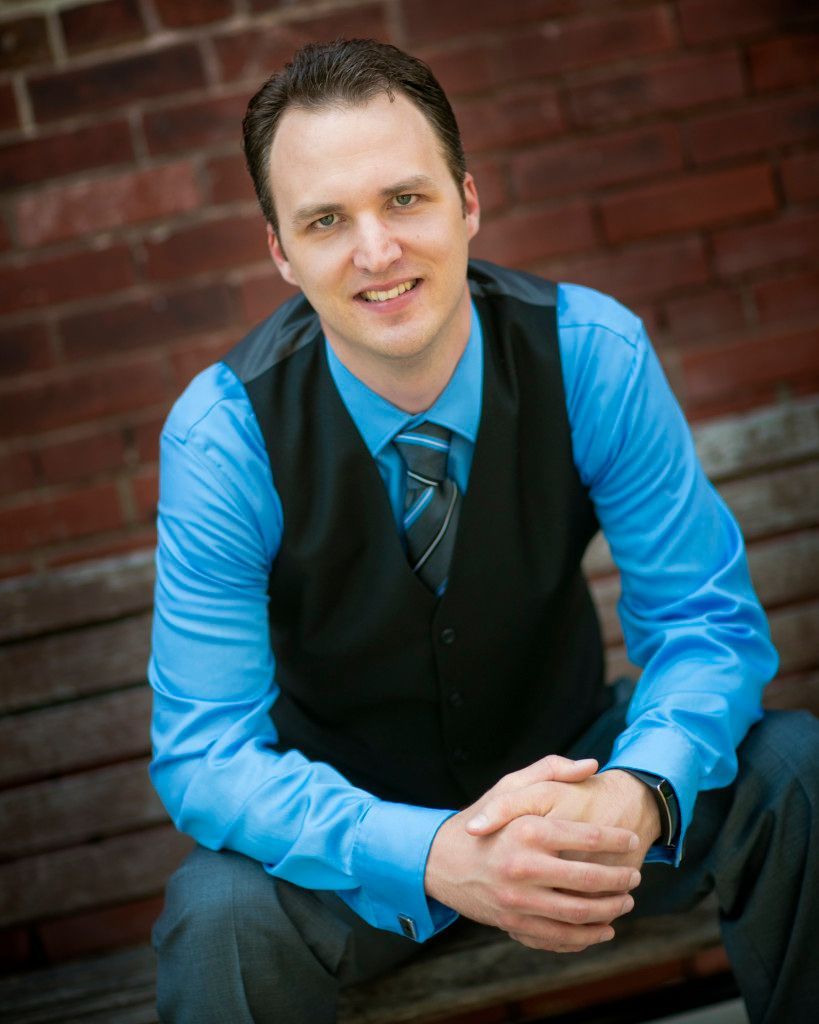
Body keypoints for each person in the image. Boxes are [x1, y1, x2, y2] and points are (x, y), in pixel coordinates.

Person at [148, 38, 818, 1024]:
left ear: (467, 201)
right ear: (281, 252)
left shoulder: (589, 354)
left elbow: (704, 625)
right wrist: (432, 852)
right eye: (327, 220)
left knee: (791, 767)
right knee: (218, 917)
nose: (376, 251)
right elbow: (205, 752)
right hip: (354, 856)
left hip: (580, 795)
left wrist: (635, 793)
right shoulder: (224, 437)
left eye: (404, 199)